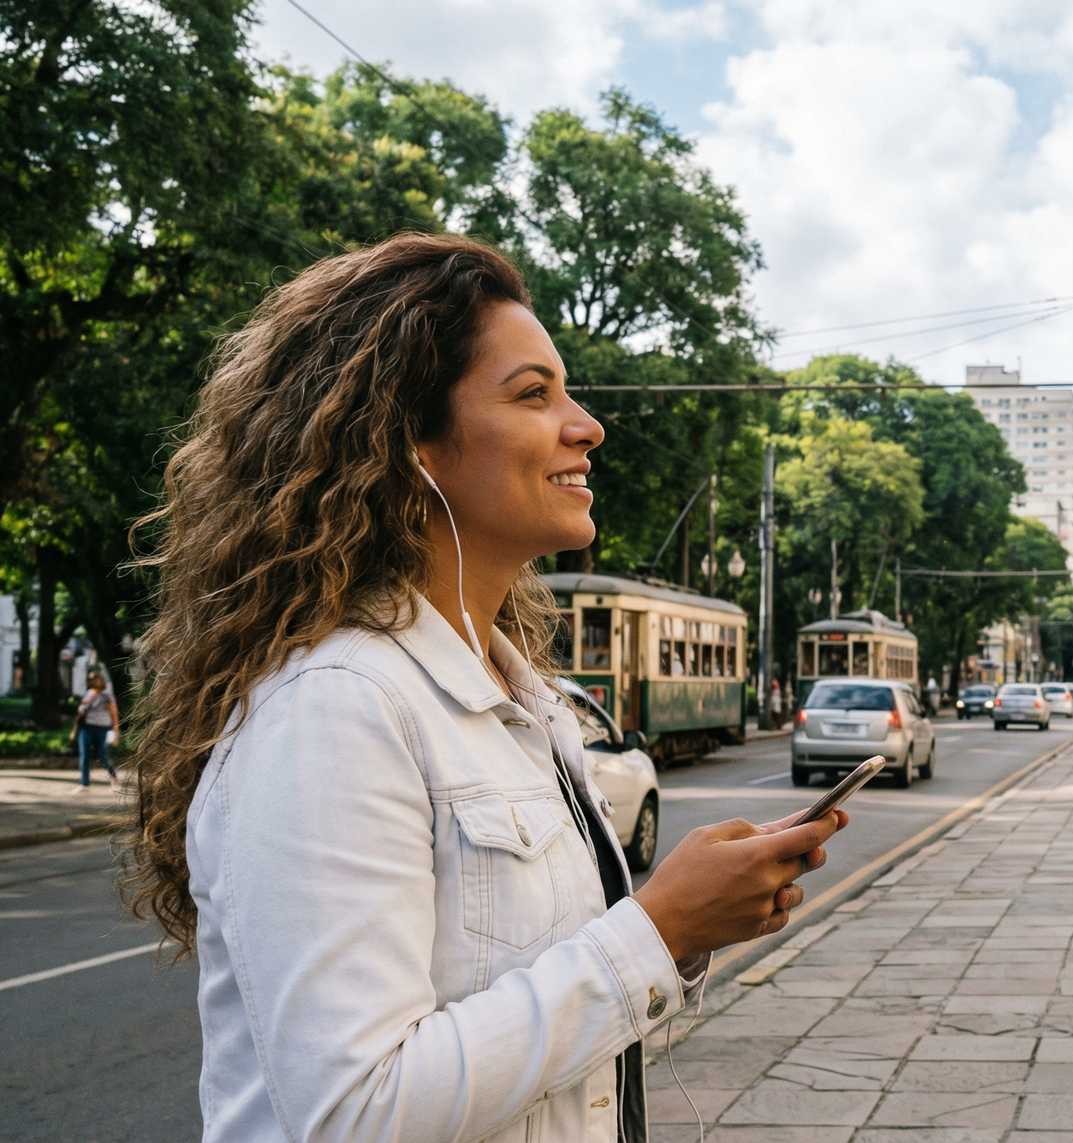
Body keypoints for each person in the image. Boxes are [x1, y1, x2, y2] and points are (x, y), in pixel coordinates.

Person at [121, 233, 843, 1143]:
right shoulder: (337, 706)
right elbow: (354, 1112)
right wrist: (654, 929)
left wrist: (687, 929)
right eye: (533, 394)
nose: (587, 425)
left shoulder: (520, 702)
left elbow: (533, 1054)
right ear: (412, 442)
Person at [72, 670, 121, 789]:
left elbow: (114, 712)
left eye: (95, 678)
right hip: (86, 727)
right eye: (91, 678)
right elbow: (80, 712)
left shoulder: (107, 695)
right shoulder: (88, 693)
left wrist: (116, 729)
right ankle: (84, 783)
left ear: (101, 679)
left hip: (102, 728)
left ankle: (113, 778)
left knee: (103, 755)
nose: (93, 680)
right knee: (84, 756)